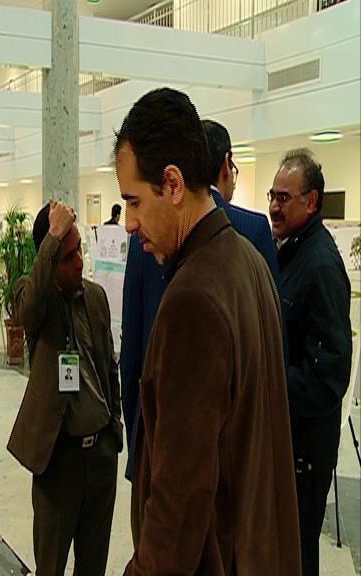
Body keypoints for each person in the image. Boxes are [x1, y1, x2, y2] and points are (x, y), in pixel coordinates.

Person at [115, 88, 301, 574]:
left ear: (173, 184)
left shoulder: (193, 298)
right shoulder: (247, 261)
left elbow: (179, 503)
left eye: (134, 201)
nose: (129, 223)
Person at [120, 118, 282, 479]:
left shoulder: (152, 243)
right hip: (238, 457)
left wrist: (139, 446)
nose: (131, 221)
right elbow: (272, 354)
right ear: (225, 164)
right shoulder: (253, 232)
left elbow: (132, 354)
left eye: (134, 201)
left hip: (169, 451)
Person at [7, 201, 123, 576]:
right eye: (68, 256)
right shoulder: (35, 298)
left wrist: (115, 430)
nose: (79, 263)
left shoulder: (96, 297)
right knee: (51, 565)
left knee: (93, 566)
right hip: (59, 461)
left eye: (80, 252)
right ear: (50, 258)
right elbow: (27, 310)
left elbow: (109, 369)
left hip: (100, 456)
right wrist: (53, 236)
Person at [270, 148, 352, 576]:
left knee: (297, 557)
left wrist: (268, 381)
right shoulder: (291, 252)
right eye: (272, 196)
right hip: (290, 443)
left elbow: (330, 375)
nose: (274, 206)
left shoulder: (319, 266)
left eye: (284, 198)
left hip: (305, 451)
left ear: (311, 201)